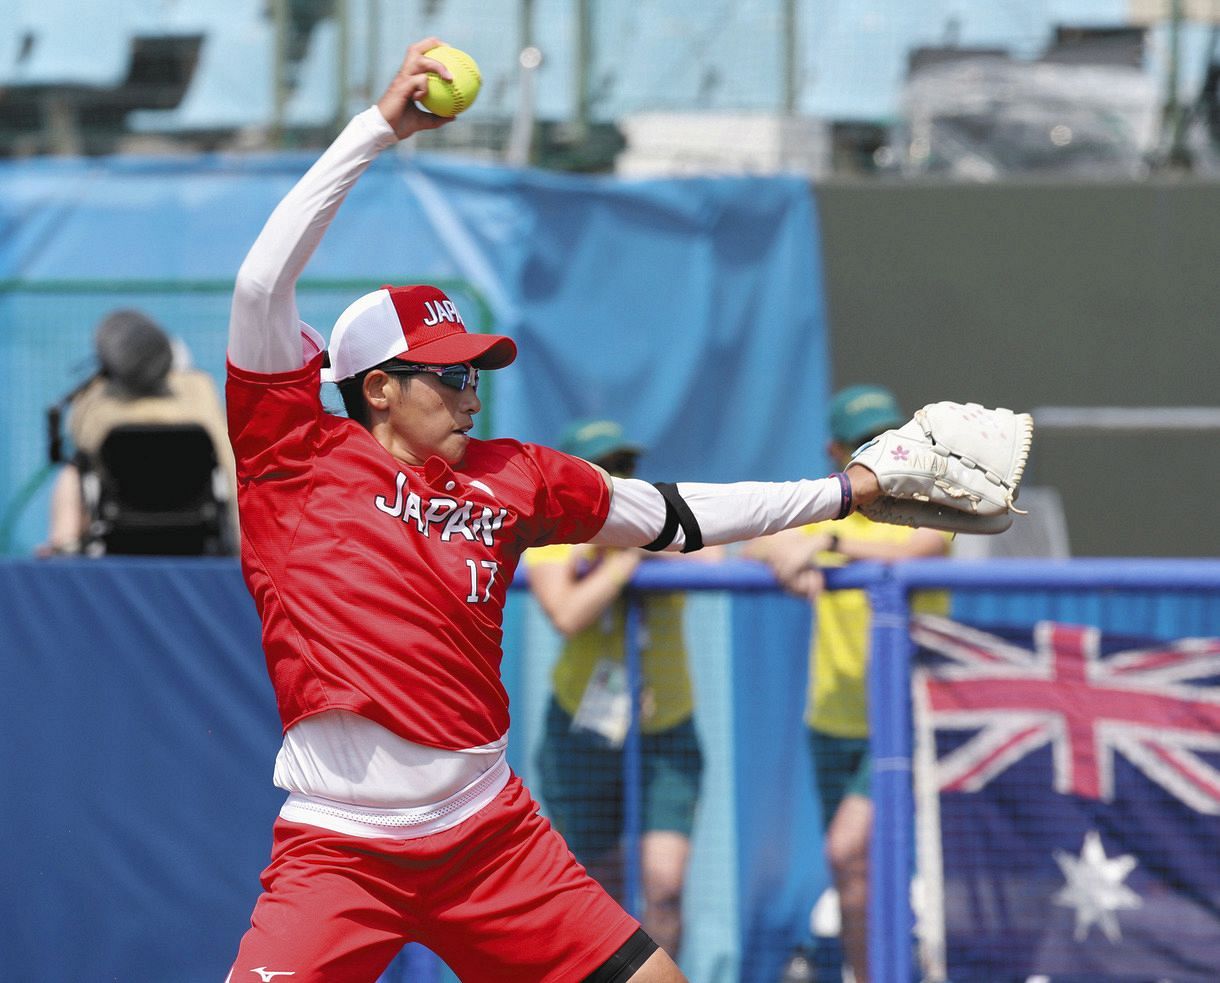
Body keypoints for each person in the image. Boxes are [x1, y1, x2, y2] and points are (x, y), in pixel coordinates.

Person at [224, 39, 891, 983]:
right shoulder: (293, 458)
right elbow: (260, 284)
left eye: (476, 370)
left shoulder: (511, 475)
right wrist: (379, 130)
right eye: (449, 371)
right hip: (340, 848)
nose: (470, 391)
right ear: (377, 387)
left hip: (486, 837)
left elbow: (671, 511)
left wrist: (844, 491)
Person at [747, 385, 952, 983]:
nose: (882, 452)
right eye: (866, 443)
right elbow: (760, 539)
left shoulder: (929, 503)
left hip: (905, 719)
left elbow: (924, 551)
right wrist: (784, 555)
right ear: (837, 452)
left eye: (890, 438)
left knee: (849, 849)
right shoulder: (822, 508)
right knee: (855, 871)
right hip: (832, 722)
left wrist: (823, 546)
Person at [526, 420, 714, 960]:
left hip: (666, 732)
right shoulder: (551, 534)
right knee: (594, 889)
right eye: (608, 471)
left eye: (628, 469)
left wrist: (634, 547)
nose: (623, 481)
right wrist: (623, 561)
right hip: (582, 733)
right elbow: (565, 611)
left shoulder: (665, 528)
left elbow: (716, 556)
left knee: (664, 885)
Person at [43, 308, 238, 555]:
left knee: (72, 473)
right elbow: (229, 466)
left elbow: (80, 445)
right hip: (198, 531)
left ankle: (64, 546)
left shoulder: (96, 407)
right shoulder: (202, 400)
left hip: (117, 532)